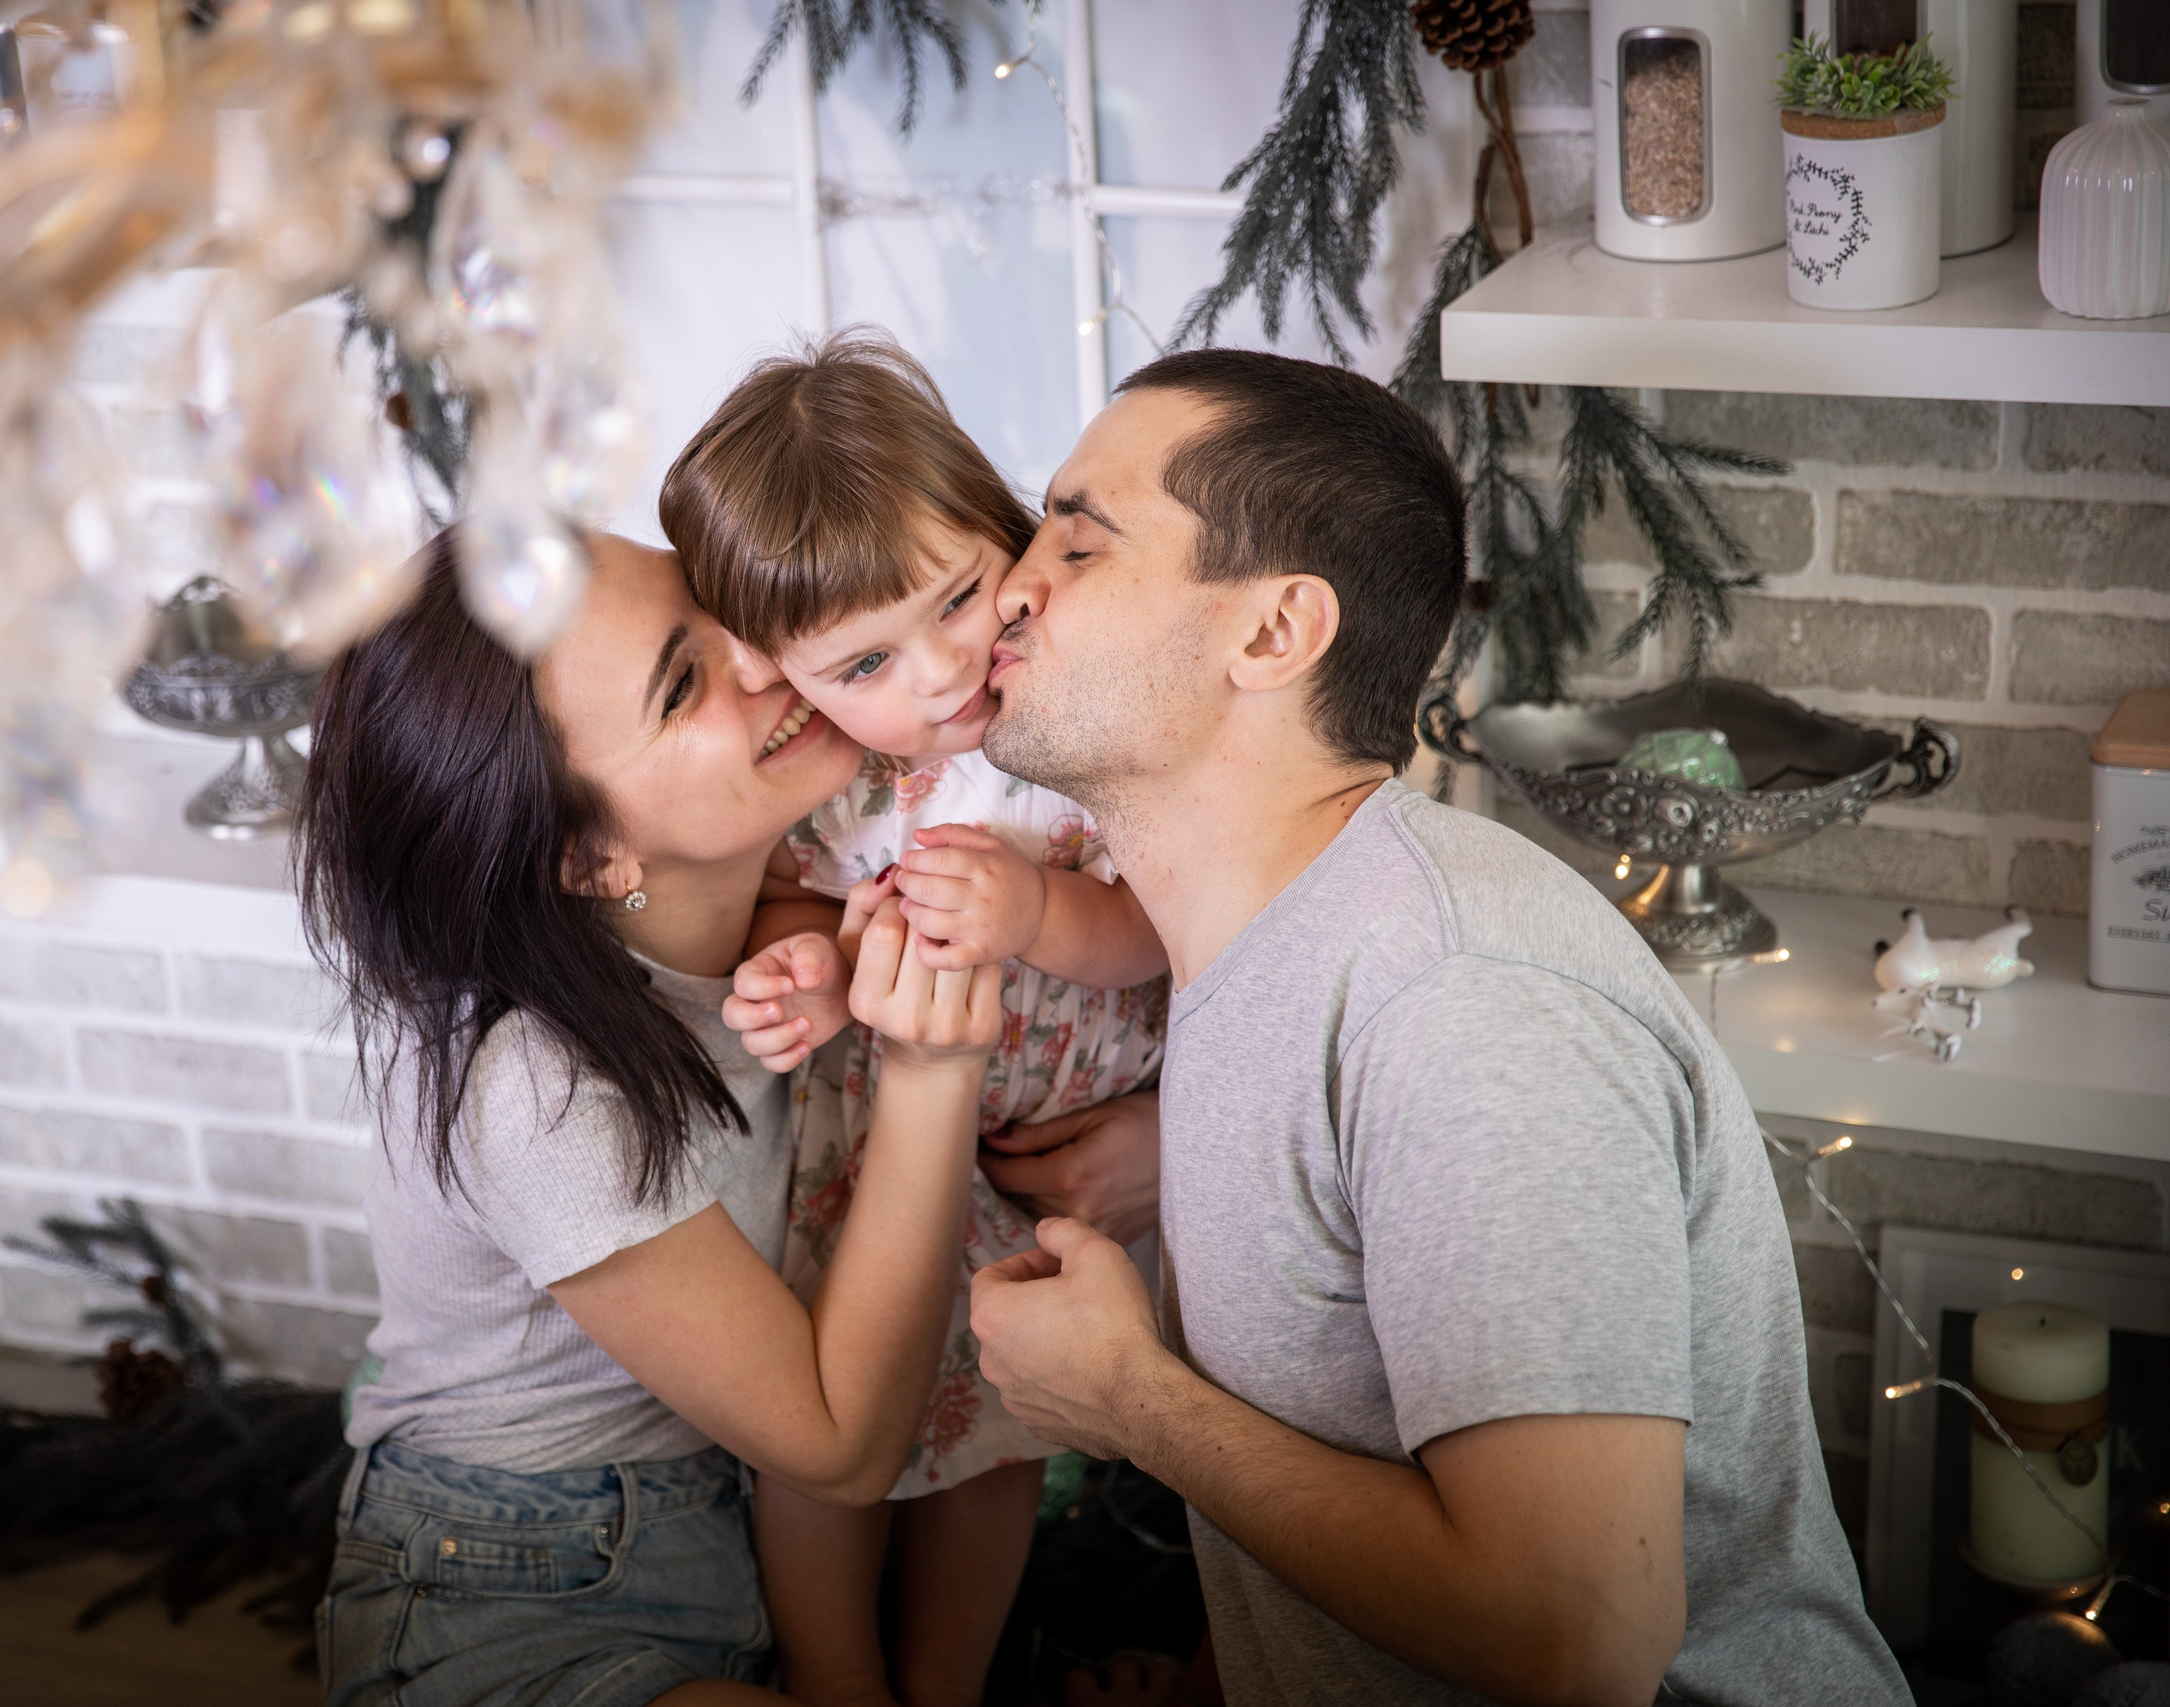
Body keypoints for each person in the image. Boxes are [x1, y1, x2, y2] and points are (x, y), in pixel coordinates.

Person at [966, 350, 1911, 1707]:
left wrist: (1131, 1401)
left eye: (1078, 539)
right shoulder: (1249, 949)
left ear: (1274, 632)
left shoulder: (1458, 993)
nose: (1011, 582)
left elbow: (1577, 1636)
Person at [299, 531, 1004, 1707]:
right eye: (685, 684)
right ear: (587, 851)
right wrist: (938, 1071)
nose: (768, 657)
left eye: (721, 607)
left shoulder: (822, 877)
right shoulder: (534, 1083)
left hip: (746, 1533)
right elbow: (836, 1441)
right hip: (512, 1581)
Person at [660, 332, 1171, 1707]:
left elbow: (1167, 925)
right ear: (791, 680)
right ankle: (837, 1673)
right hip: (884, 1144)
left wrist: (1041, 915)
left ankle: (947, 1677)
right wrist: (807, 973)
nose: (943, 671)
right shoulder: (846, 777)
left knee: (994, 1426)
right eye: (866, 661)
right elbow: (789, 899)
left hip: (1068, 1128)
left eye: (960, 595)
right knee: (845, 1407)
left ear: (1003, 522)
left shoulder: (1078, 722)